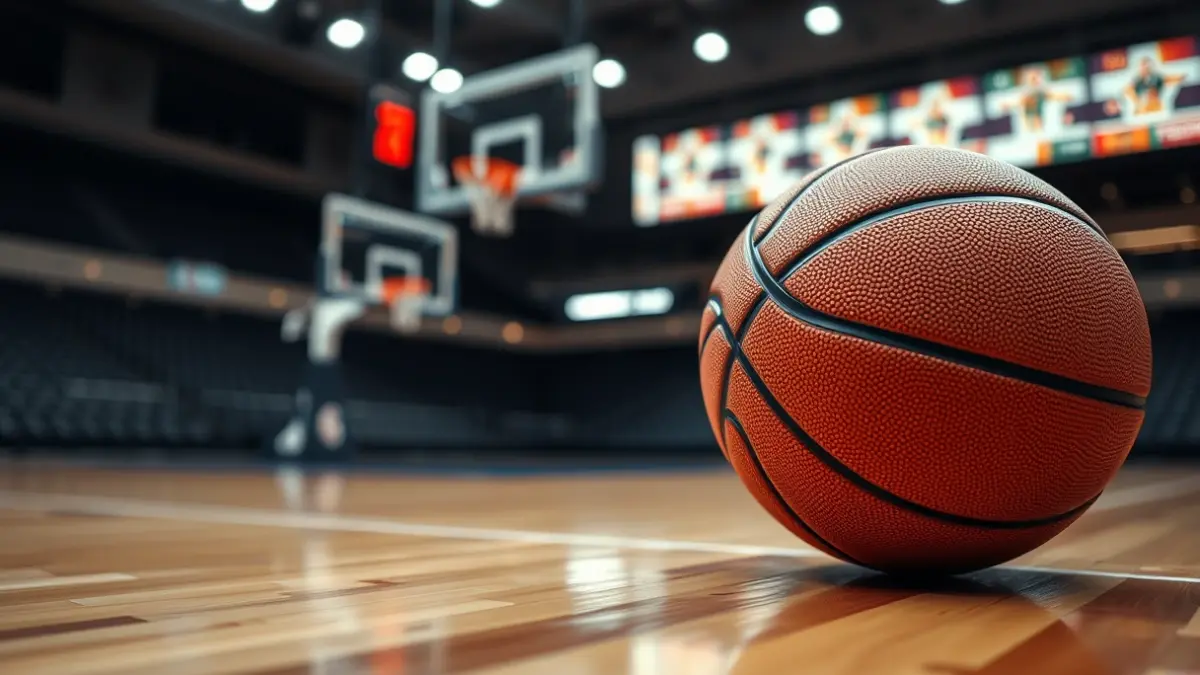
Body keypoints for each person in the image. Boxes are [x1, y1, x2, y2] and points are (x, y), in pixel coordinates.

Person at [1000, 68, 1074, 135]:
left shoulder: (1037, 92)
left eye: (1036, 77)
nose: (1036, 79)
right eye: (1033, 78)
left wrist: (1065, 97)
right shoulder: (1028, 95)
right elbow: (1018, 102)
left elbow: (1052, 96)